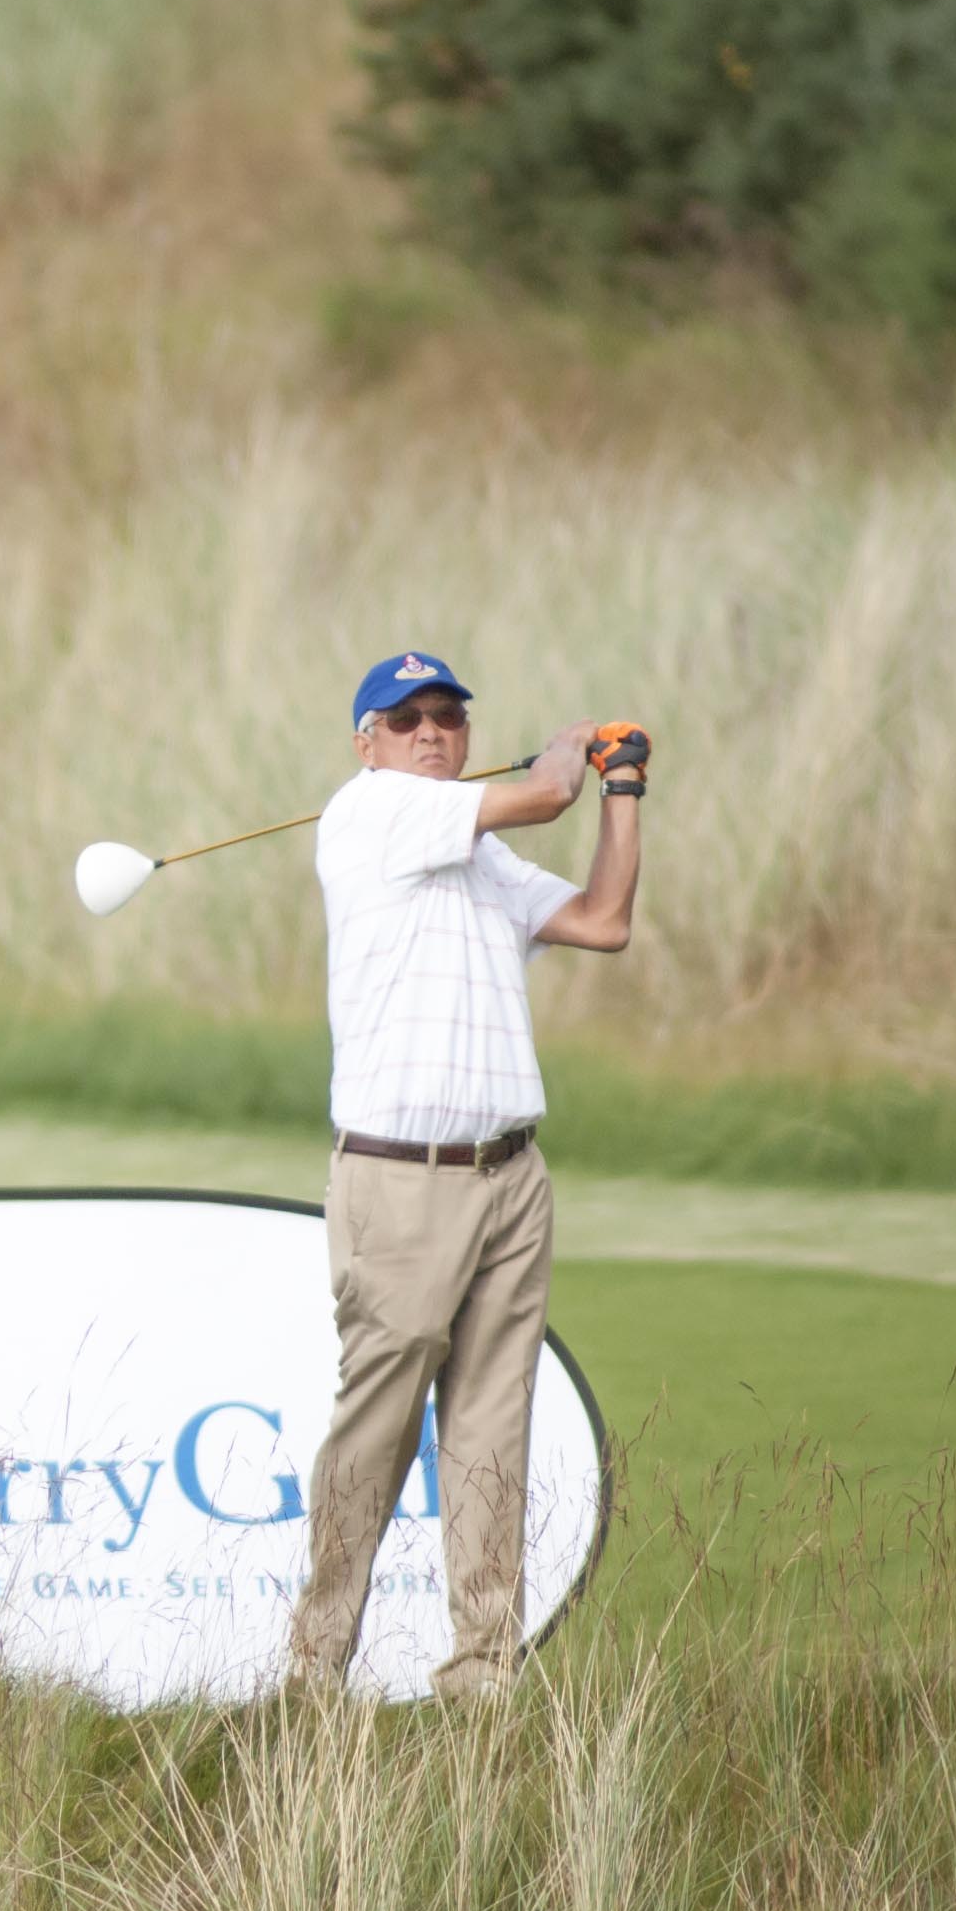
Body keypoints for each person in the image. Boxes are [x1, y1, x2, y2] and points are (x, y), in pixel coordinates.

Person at [287, 649, 646, 1704]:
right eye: (405, 720)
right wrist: (569, 756)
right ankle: (314, 1668)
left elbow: (601, 921)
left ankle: (480, 1675)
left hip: (508, 1174)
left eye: (446, 715)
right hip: (398, 1182)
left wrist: (621, 794)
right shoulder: (365, 815)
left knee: (492, 1425)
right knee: (379, 1426)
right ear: (367, 743)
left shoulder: (475, 851)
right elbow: (539, 794)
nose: (431, 731)